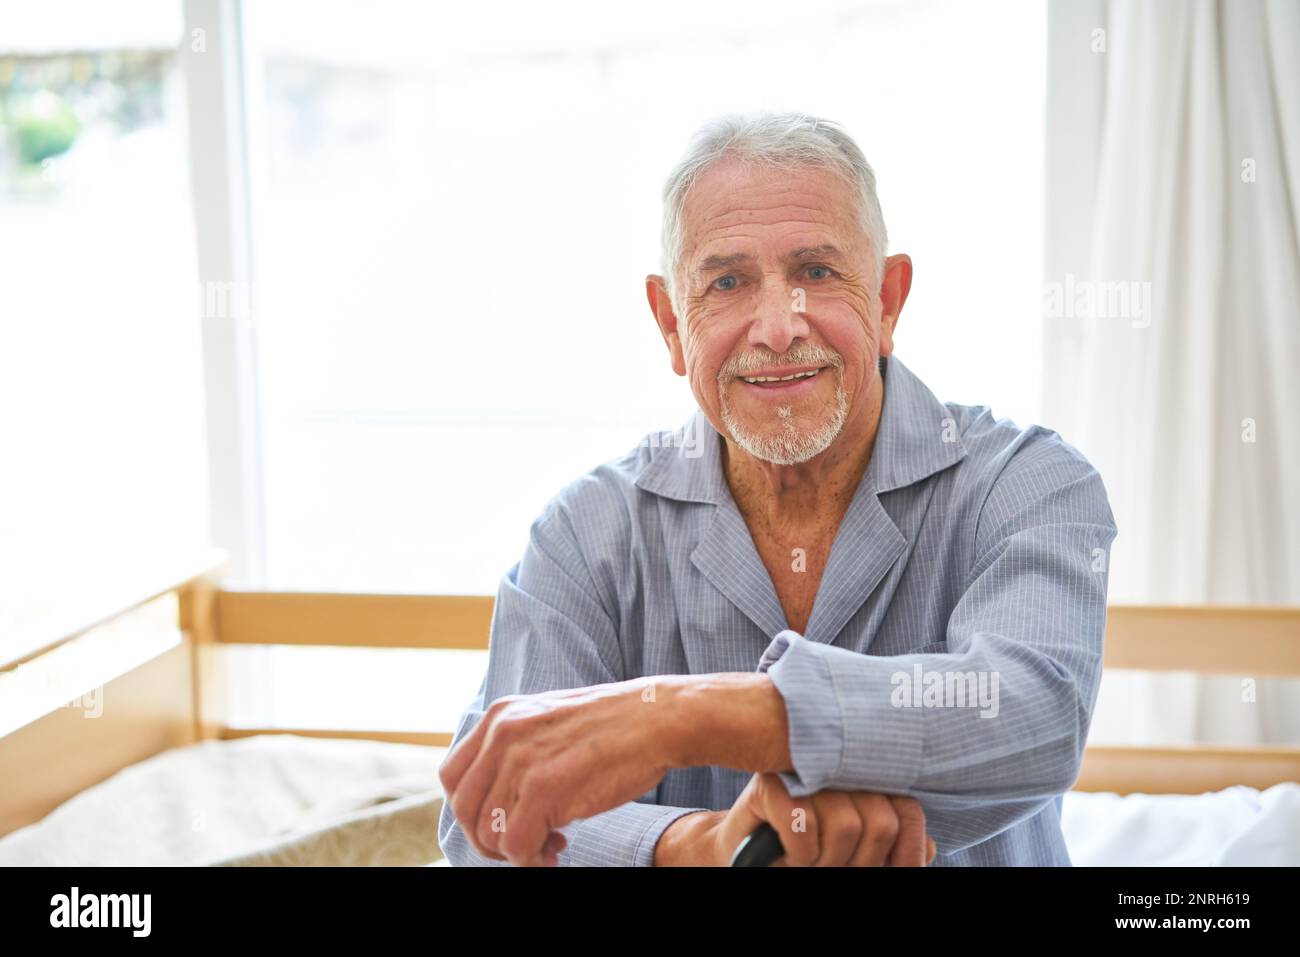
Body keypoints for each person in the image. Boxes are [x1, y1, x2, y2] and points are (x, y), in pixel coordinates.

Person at [438, 111, 1118, 866]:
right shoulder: (585, 532)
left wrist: (680, 717)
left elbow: (1033, 715)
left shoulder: (1028, 483)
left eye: (815, 273)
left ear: (888, 300)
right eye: (727, 282)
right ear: (671, 322)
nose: (776, 327)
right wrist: (703, 844)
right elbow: (484, 824)